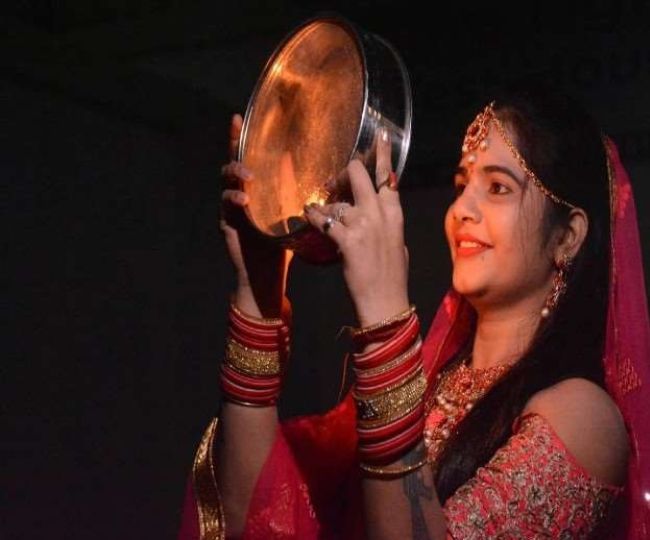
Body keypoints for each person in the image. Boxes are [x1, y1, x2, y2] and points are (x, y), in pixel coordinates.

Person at [178, 85, 650, 539]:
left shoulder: (584, 417)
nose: (461, 208)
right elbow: (253, 516)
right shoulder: (424, 384)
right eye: (462, 185)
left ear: (567, 237)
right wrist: (258, 292)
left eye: (498, 187)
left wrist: (384, 317)